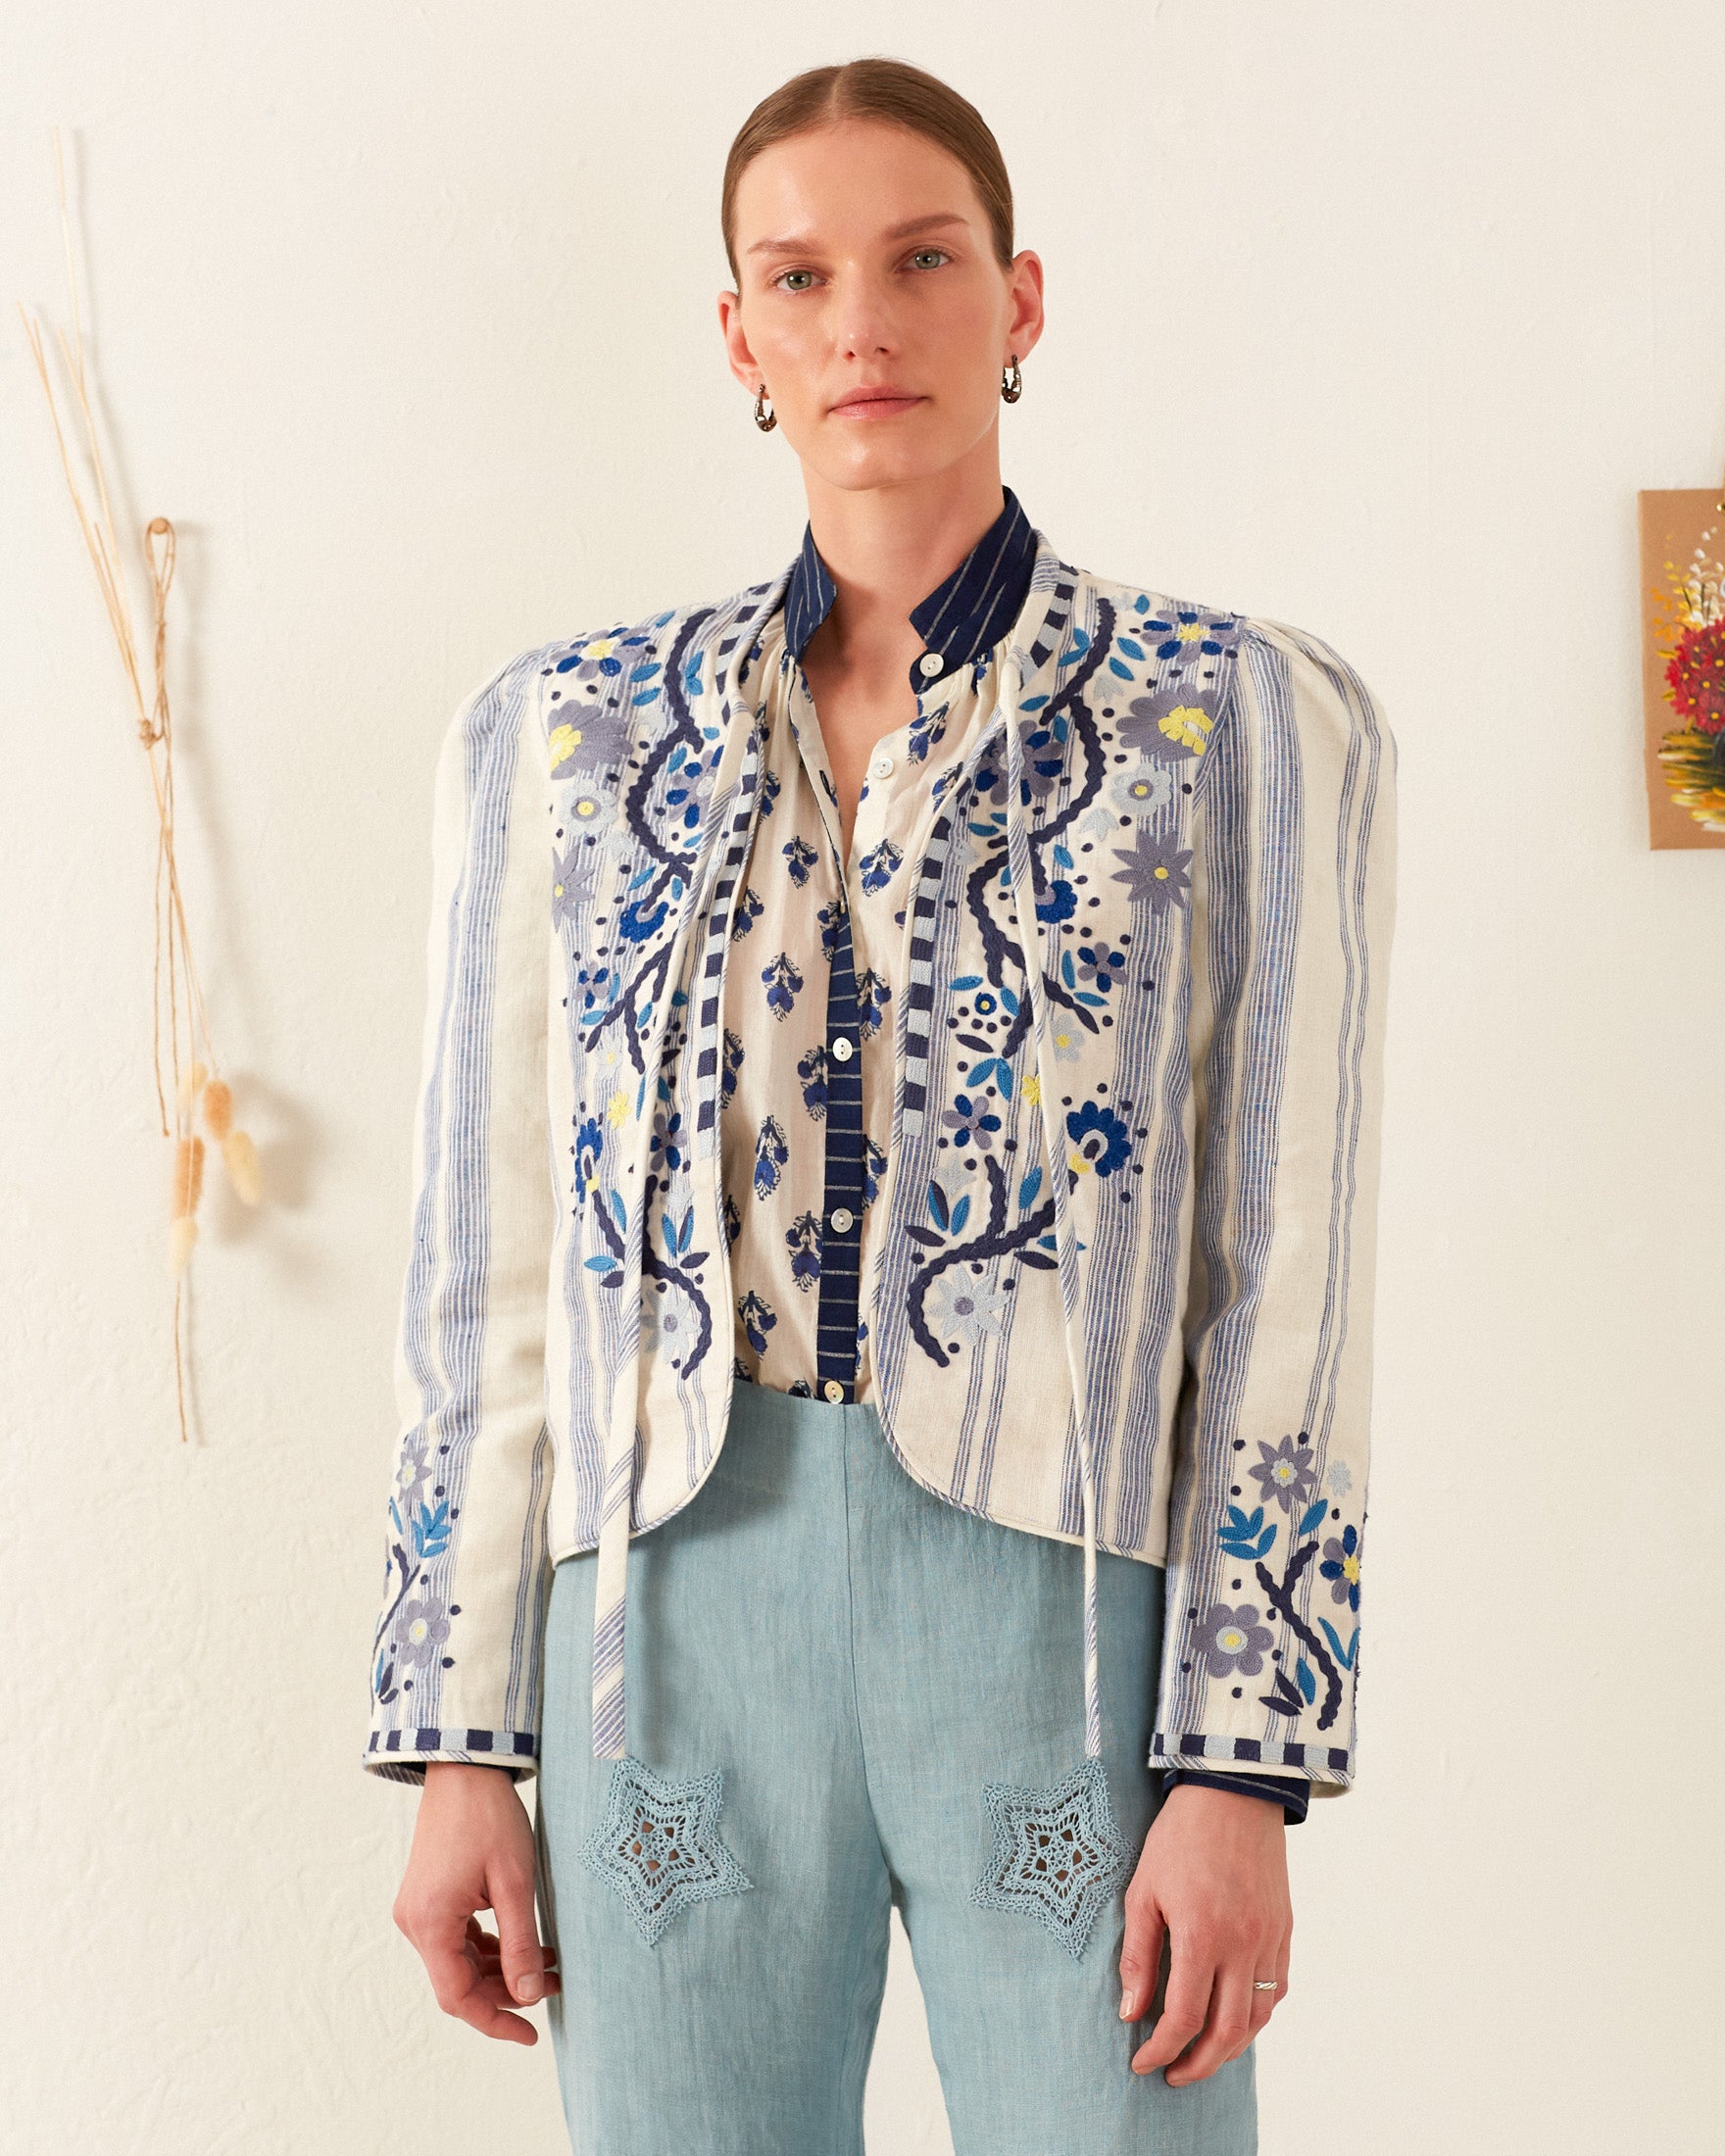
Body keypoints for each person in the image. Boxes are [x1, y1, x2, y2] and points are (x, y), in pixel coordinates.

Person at [366, 55, 1397, 2156]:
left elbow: (1283, 1267)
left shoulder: (1237, 721)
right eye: (801, 274)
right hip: (664, 1616)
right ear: (738, 337)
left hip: (1065, 1613)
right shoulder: (555, 741)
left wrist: (1240, 1766)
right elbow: (483, 1272)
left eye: (921, 260)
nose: (864, 323)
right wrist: (457, 1737)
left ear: (1018, 299)